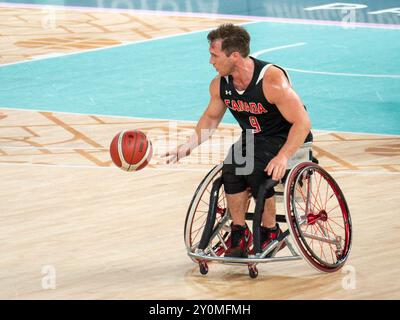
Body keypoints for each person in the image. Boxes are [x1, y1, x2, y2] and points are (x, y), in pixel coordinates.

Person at [162, 23, 312, 258]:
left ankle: (271, 230)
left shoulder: (271, 80)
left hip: (286, 137)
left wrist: (283, 156)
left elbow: (302, 123)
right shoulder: (221, 85)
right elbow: (211, 118)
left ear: (234, 56)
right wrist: (188, 146)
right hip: (254, 139)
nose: (211, 61)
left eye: (214, 55)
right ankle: (239, 231)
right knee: (231, 167)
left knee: (255, 167)